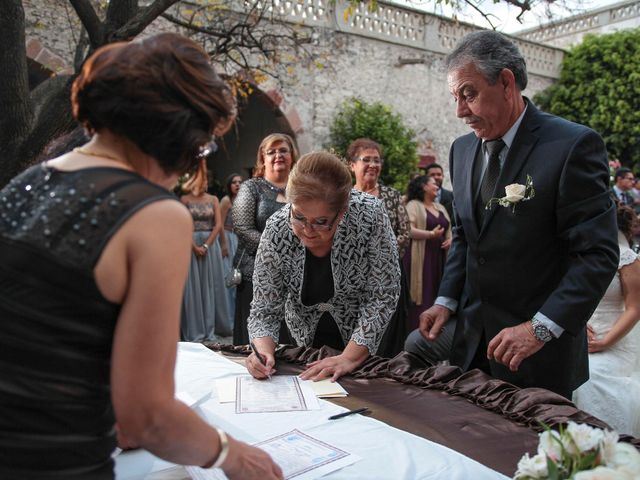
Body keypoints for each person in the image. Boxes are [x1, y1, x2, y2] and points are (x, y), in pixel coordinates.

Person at [0, 33, 282, 479]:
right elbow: (148, 417)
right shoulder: (153, 213)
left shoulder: (28, 183)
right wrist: (234, 455)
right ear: (177, 131)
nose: (192, 163)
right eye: (202, 146)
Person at [407, 31, 618, 398]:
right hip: (472, 342)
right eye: (454, 97)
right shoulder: (461, 151)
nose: (459, 111)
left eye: (468, 94)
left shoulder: (571, 146)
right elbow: (466, 237)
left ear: (506, 82)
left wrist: (539, 329)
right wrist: (446, 301)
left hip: (538, 354)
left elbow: (597, 256)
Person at [246, 152, 400, 381]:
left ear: (343, 211)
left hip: (366, 344)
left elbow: (382, 294)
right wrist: (262, 351)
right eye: (298, 217)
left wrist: (349, 357)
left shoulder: (370, 215)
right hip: (306, 344)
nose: (308, 230)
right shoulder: (276, 230)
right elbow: (264, 309)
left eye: (321, 222)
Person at [573, 204, 640, 437]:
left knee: (589, 380)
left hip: (616, 341)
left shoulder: (627, 259)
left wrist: (605, 342)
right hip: (582, 337)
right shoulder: (584, 255)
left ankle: (605, 442)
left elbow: (634, 308)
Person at [232, 133, 298, 345]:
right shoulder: (251, 188)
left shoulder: (301, 189)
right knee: (257, 335)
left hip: (296, 273)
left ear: (292, 155)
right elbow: (242, 228)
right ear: (263, 158)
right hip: (255, 273)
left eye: (283, 150)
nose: (278, 155)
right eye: (271, 152)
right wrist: (278, 252)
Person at [347, 138, 410, 357]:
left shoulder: (391, 196)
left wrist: (381, 256)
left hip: (388, 278)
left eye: (377, 160)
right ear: (352, 165)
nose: (373, 165)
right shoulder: (344, 198)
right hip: (353, 279)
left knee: (389, 338)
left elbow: (405, 233)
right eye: (367, 160)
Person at [180, 160, 231, 340]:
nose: (204, 183)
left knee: (211, 285)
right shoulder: (184, 200)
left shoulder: (213, 199)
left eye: (206, 180)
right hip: (190, 244)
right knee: (193, 287)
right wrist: (194, 246)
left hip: (210, 246)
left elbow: (218, 225)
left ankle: (212, 326)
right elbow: (182, 225)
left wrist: (207, 245)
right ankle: (195, 329)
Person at [403, 175, 451, 331]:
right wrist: (430, 235)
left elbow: (450, 230)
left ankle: (437, 333)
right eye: (433, 183)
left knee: (438, 294)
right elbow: (408, 230)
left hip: (440, 258)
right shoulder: (414, 205)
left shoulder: (441, 208)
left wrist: (450, 240)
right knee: (423, 295)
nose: (437, 186)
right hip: (421, 259)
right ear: (424, 186)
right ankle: (416, 334)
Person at [220, 173, 243, 321]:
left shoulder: (244, 199)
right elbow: (220, 224)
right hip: (228, 237)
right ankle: (228, 317)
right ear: (229, 185)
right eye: (234, 182)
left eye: (240, 182)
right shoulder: (226, 201)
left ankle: (238, 315)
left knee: (240, 277)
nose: (237, 185)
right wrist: (223, 244)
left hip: (240, 239)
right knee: (229, 276)